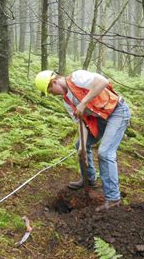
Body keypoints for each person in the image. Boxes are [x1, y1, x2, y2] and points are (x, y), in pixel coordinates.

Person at [35, 69, 130, 210]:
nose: (53, 94)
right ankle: (89, 179)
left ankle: (113, 198)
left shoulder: (77, 77)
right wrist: (83, 147)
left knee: (105, 153)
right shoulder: (67, 101)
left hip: (116, 112)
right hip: (99, 119)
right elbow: (82, 123)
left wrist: (83, 102)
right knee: (80, 144)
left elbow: (103, 82)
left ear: (54, 82)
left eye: (51, 90)